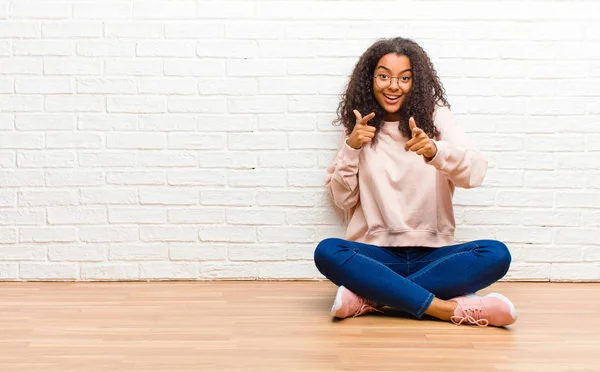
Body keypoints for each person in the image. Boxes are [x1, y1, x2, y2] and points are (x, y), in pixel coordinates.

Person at [313, 37, 517, 327]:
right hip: (377, 255)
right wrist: (351, 147)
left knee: (496, 254)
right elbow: (342, 200)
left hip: (432, 255)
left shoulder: (436, 118)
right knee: (328, 251)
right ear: (370, 79)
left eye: (404, 78)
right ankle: (446, 310)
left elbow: (475, 173)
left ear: (416, 81)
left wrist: (436, 152)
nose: (393, 86)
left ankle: (373, 298)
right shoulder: (361, 128)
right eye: (383, 76)